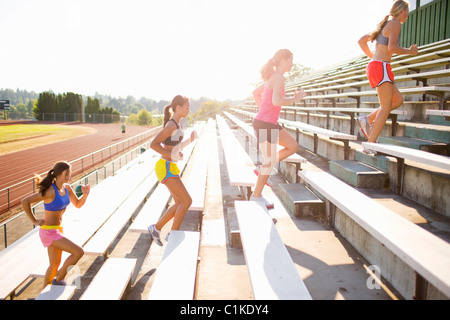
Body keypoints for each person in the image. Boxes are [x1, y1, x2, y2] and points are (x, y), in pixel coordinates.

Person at [357, 0, 417, 150]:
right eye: (407, 13)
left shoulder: (385, 24)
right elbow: (393, 47)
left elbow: (361, 41)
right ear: (402, 11)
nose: (407, 17)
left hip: (377, 66)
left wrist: (373, 58)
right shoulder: (395, 23)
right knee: (385, 108)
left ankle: (368, 119)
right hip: (381, 66)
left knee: (397, 100)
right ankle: (370, 144)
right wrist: (410, 51)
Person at [251, 49, 307, 208]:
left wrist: (264, 110)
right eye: (290, 60)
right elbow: (276, 101)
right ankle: (256, 197)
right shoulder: (278, 77)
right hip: (265, 124)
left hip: (267, 122)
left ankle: (262, 172)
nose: (292, 63)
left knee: (292, 146)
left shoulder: (273, 76)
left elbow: (256, 93)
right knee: (269, 162)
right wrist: (295, 99)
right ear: (282, 60)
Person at [21, 161, 90, 289]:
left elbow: (78, 204)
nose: (69, 176)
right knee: (78, 252)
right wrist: (34, 220)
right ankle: (59, 279)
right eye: (66, 174)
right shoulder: (50, 192)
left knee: (54, 265)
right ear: (58, 174)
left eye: (69, 173)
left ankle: (44, 291)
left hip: (58, 229)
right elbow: (25, 201)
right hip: (48, 232)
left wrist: (85, 195)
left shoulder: (67, 188)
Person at [147, 95, 197, 246]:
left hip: (171, 166)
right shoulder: (171, 125)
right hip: (165, 166)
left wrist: (190, 140)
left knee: (179, 204)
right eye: (187, 107)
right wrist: (172, 155)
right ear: (178, 107)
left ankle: (156, 228)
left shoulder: (178, 125)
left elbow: (175, 148)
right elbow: (153, 144)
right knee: (187, 201)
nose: (189, 110)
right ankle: (173, 236)